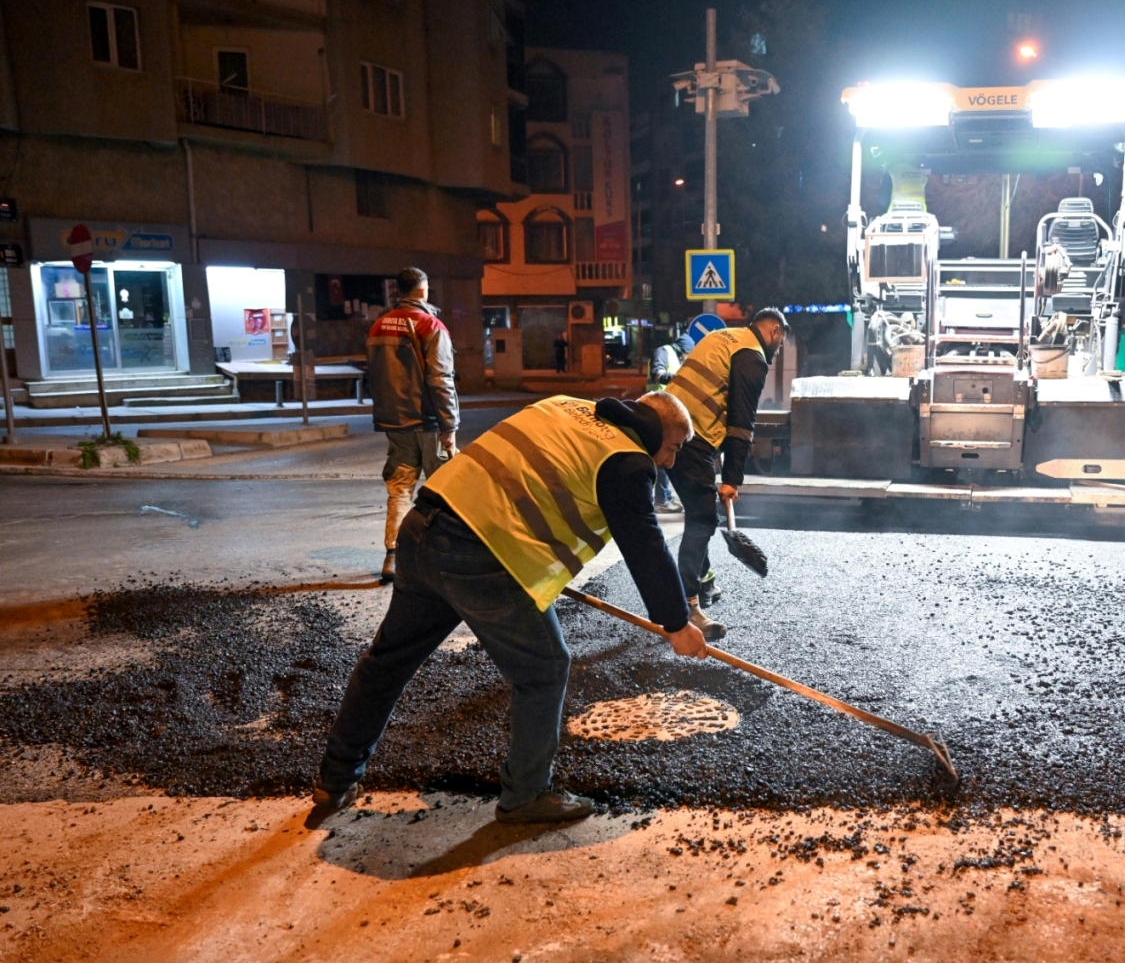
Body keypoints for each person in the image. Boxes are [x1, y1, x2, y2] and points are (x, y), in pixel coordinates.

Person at [312, 392, 707, 823]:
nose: (669, 462)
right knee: (545, 669)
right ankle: (526, 794)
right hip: (480, 558)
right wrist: (676, 623)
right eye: (673, 448)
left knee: (387, 663)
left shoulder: (564, 405)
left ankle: (335, 780)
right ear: (655, 428)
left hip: (424, 526)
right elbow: (645, 545)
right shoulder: (627, 461)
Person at [666, 307, 789, 640]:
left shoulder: (723, 337)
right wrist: (732, 478)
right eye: (780, 343)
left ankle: (703, 582)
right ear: (774, 331)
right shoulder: (751, 354)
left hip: (665, 429)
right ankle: (687, 609)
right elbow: (741, 422)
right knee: (704, 519)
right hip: (690, 438)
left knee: (698, 511)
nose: (777, 352)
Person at [369, 268, 460, 584]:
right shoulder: (430, 325)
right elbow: (440, 378)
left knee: (400, 488)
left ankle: (393, 556)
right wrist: (449, 424)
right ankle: (447, 558)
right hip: (428, 420)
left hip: (395, 422)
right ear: (423, 291)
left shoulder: (379, 325)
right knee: (446, 489)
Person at [648, 332, 695, 514]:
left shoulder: (676, 357)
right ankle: (661, 499)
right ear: (684, 350)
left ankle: (664, 496)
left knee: (667, 455)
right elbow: (658, 375)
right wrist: (680, 379)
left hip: (667, 410)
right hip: (657, 409)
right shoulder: (663, 351)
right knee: (663, 455)